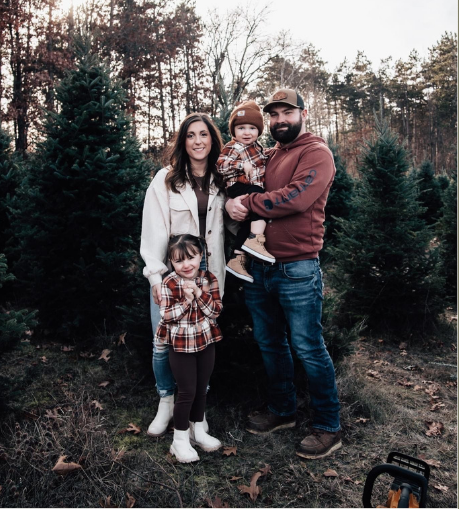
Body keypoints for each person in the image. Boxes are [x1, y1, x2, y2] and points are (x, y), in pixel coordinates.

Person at [225, 88, 341, 460]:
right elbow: (241, 179)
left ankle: (327, 426)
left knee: (307, 346)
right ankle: (282, 411)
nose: (278, 121)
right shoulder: (270, 154)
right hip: (258, 265)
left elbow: (297, 197)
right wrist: (231, 198)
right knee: (270, 342)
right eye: (273, 115)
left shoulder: (316, 153)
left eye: (286, 113)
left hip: (296, 268)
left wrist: (248, 202)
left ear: (302, 114)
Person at [140, 113, 235, 438]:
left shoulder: (222, 180)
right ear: (183, 141)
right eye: (191, 135)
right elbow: (153, 231)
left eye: (204, 135)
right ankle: (166, 400)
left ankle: (197, 412)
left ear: (213, 141)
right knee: (163, 342)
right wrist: (155, 276)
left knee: (202, 341)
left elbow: (233, 226)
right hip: (172, 273)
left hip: (208, 271)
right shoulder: (165, 180)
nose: (198, 141)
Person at [155, 234, 223, 463]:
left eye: (192, 258)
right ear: (171, 263)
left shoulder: (208, 278)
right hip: (181, 344)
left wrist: (198, 294)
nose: (186, 265)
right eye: (179, 261)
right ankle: (180, 440)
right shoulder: (168, 283)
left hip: (206, 340)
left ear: (201, 256)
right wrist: (185, 300)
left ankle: (198, 432)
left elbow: (215, 311)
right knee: (186, 392)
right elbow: (166, 316)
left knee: (202, 388)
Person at [216, 100, 275, 283]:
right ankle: (255, 238)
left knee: (246, 223)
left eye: (252, 128)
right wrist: (241, 165)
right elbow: (220, 166)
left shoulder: (257, 148)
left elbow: (265, 157)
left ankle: (237, 258)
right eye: (241, 128)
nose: (247, 132)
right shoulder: (233, 147)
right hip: (237, 186)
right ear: (234, 131)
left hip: (250, 187)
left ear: (259, 131)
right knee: (260, 200)